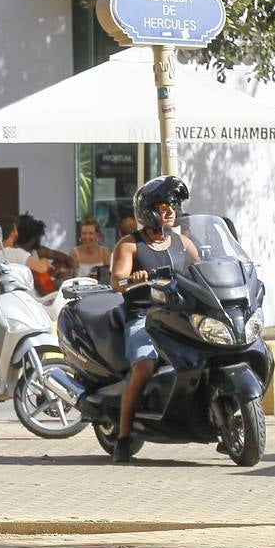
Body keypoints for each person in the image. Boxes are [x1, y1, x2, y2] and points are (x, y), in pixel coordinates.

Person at [108, 175, 200, 463]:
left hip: (179, 316)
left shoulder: (182, 242)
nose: (171, 210)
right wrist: (131, 278)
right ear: (148, 210)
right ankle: (123, 437)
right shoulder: (130, 245)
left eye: (174, 204)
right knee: (145, 367)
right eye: (164, 205)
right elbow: (117, 281)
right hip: (144, 317)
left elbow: (203, 269)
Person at [0, 213, 53, 280]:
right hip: (20, 293)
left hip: (1, 293)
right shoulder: (16, 253)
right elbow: (41, 268)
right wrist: (45, 261)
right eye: (16, 229)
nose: (17, 233)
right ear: (12, 233)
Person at [69, 217, 111, 282]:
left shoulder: (105, 252)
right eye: (84, 233)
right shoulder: (74, 253)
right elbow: (71, 279)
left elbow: (109, 277)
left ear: (97, 235)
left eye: (91, 233)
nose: (87, 237)